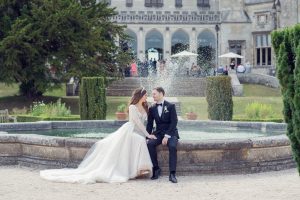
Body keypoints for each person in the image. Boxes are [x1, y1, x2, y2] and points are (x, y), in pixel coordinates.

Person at [40, 87, 157, 184]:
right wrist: (148, 135)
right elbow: (138, 123)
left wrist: (151, 132)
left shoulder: (146, 107)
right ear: (140, 96)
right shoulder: (132, 107)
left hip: (140, 132)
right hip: (131, 131)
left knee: (141, 140)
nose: (147, 97)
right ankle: (142, 169)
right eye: (145, 95)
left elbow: (148, 122)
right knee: (140, 141)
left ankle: (139, 170)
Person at [147, 87, 180, 183]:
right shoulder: (152, 108)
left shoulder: (170, 106)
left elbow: (174, 122)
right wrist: (147, 136)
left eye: (154, 94)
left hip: (171, 132)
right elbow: (149, 124)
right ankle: (156, 169)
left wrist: (167, 136)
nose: (153, 96)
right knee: (150, 144)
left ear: (161, 94)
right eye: (152, 94)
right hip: (158, 133)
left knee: (173, 146)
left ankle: (172, 174)